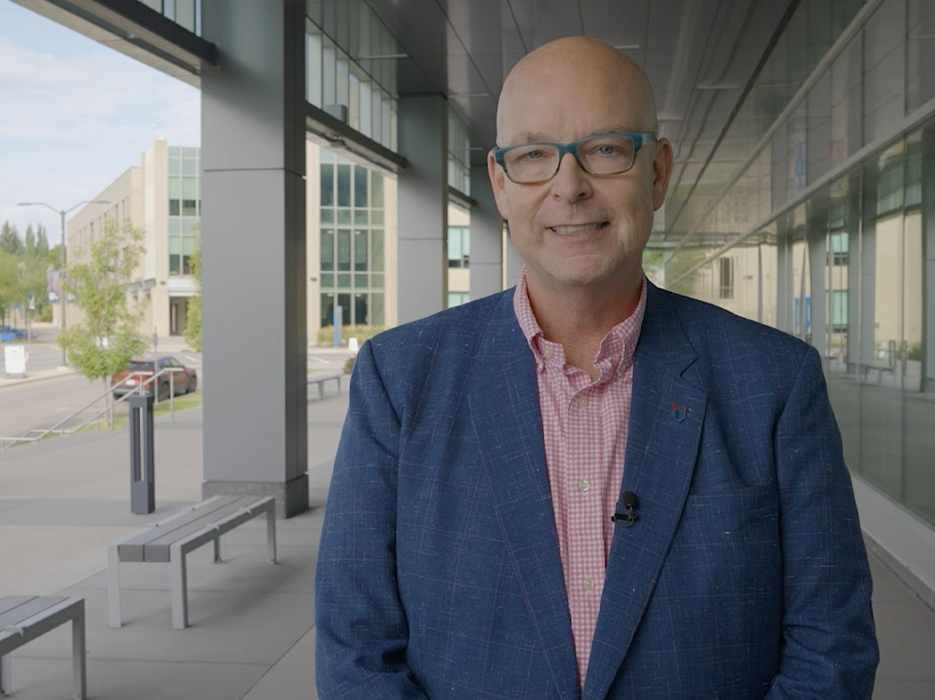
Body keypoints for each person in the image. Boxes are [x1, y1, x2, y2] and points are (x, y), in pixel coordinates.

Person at [315, 36, 878, 700]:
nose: (570, 186)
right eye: (532, 156)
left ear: (659, 172)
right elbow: (356, 653)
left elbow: (830, 652)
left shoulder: (777, 383)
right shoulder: (401, 379)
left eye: (606, 149)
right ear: (500, 185)